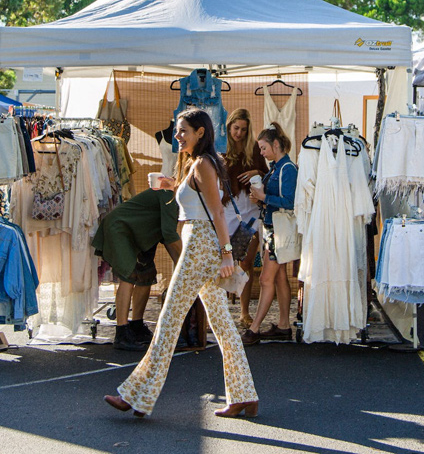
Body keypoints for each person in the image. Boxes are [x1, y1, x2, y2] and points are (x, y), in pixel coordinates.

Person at [105, 109, 258, 419]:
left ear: (200, 132)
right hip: (200, 244)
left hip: (199, 246)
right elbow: (204, 204)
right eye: (178, 131)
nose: (177, 135)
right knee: (223, 325)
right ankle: (245, 395)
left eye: (183, 130)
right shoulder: (200, 163)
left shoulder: (202, 164)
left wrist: (227, 255)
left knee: (169, 321)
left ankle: (137, 396)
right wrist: (172, 186)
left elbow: (216, 213)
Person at [92, 185, 184, 351]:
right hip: (121, 228)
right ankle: (121, 332)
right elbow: (170, 235)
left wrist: (182, 266)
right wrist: (185, 263)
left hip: (140, 235)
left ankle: (136, 325)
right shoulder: (170, 194)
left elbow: (166, 235)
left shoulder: (177, 196)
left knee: (146, 276)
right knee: (129, 275)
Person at [241, 121, 297, 345]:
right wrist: (260, 198)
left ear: (276, 144)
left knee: (266, 279)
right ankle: (284, 326)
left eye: (264, 148)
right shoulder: (277, 168)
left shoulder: (287, 169)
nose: (261, 153)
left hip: (278, 230)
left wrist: (264, 199)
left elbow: (291, 202)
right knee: (280, 276)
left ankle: (254, 329)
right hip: (273, 228)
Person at [223, 108, 265, 326]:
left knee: (246, 262)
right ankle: (219, 310)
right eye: (236, 128)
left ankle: (244, 312)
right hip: (227, 210)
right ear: (229, 126)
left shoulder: (255, 150)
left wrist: (257, 173)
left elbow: (267, 172)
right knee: (223, 261)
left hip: (250, 209)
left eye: (243, 129)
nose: (238, 133)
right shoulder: (220, 149)